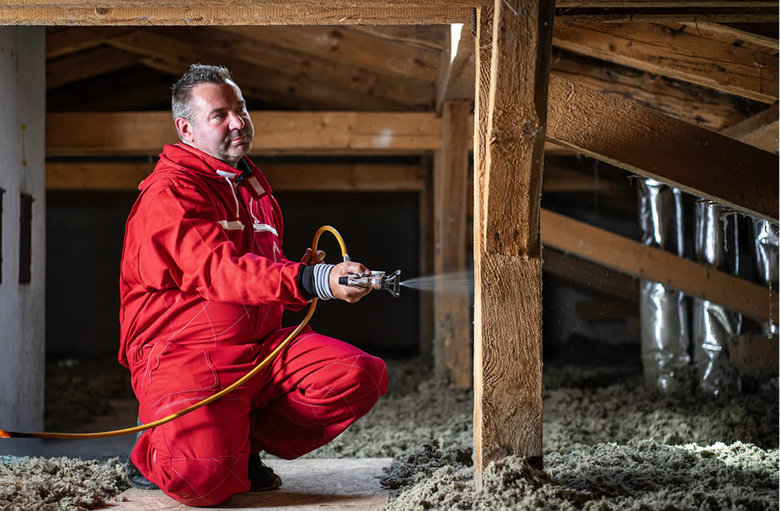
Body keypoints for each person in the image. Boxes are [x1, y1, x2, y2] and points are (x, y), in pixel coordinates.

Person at [117, 64, 388, 507]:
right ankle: (152, 458)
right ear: (185, 128)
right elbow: (218, 269)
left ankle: (239, 448)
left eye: (241, 108)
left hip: (261, 348)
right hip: (186, 354)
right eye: (219, 115)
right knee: (202, 482)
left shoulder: (251, 189)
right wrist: (311, 279)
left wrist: (303, 272)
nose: (239, 122)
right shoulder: (170, 193)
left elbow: (260, 269)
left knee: (359, 376)